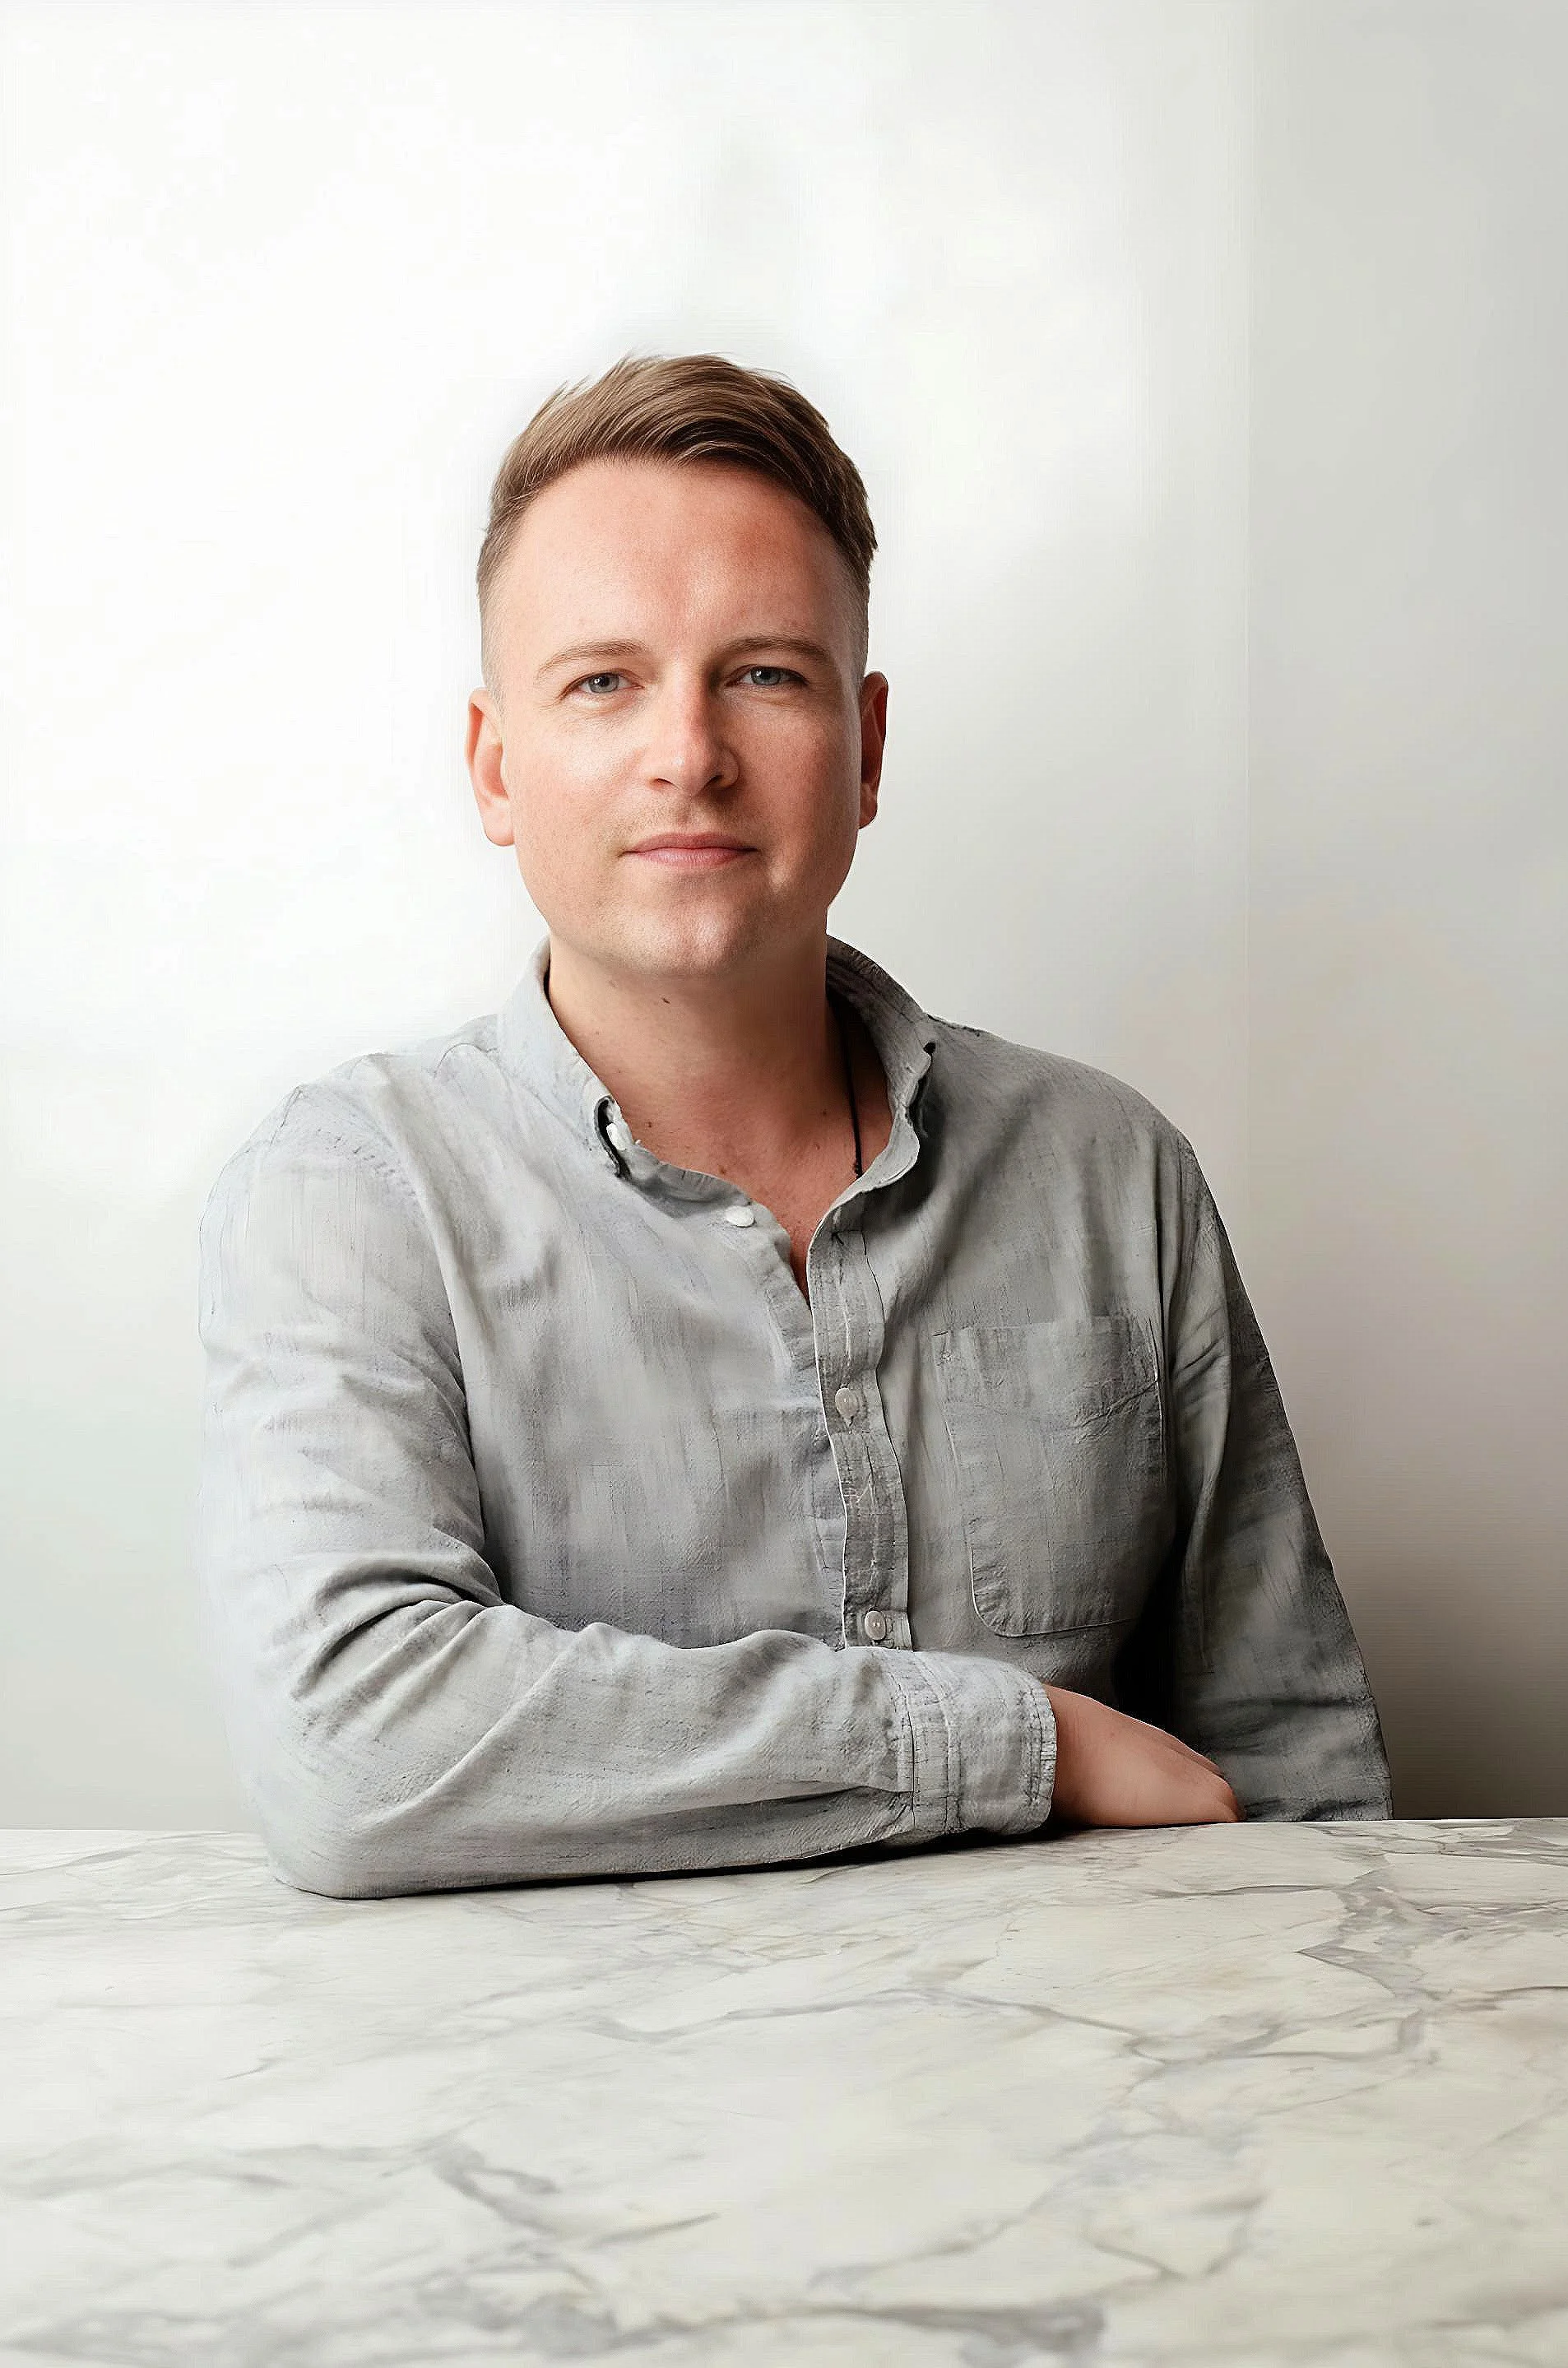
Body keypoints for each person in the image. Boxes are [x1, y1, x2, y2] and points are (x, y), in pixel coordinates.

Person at [197, 353, 1392, 1900]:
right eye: (603, 680)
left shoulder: (1112, 1176)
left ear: (868, 747)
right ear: (496, 765)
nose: (686, 753)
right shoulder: (353, 1196)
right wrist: (1016, 1742)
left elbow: (1298, 1787)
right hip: (571, 2127)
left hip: (1086, 2115)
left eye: (762, 672)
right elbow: (354, 1747)